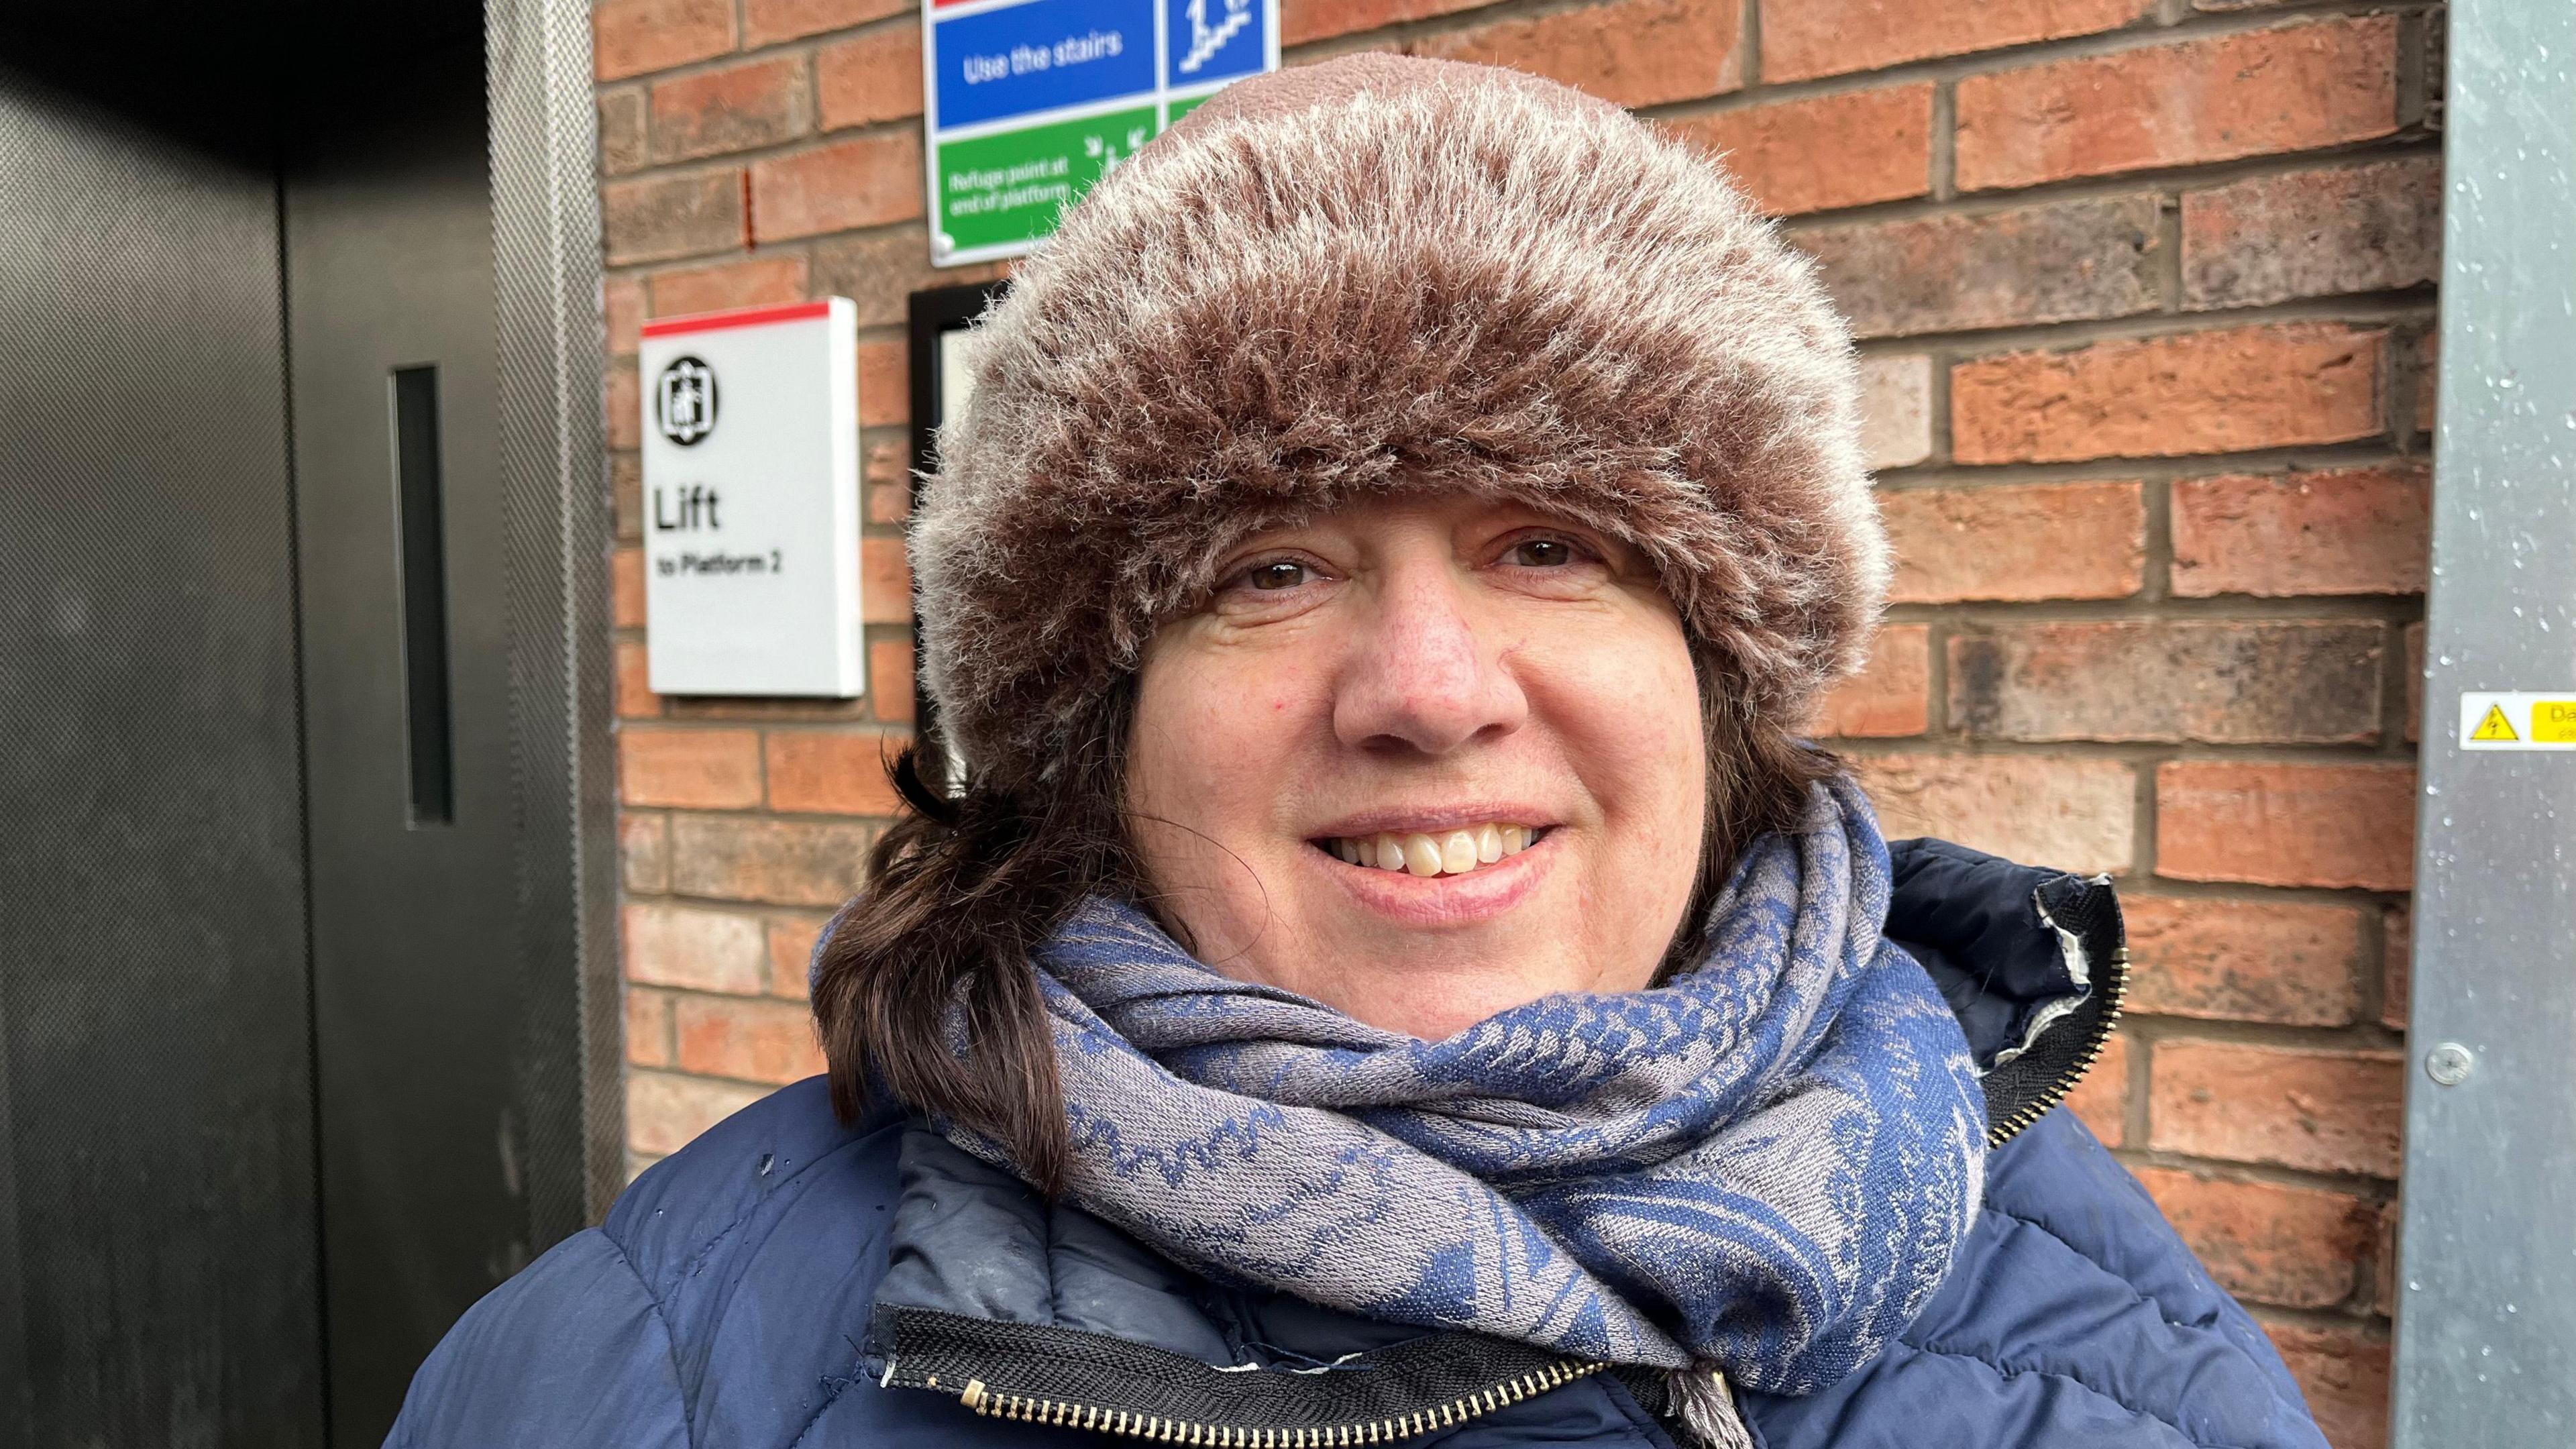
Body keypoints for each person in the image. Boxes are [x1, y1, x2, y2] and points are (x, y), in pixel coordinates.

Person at [388, 54, 2328, 1449]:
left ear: (1726, 669)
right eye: (1271, 566)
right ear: (1090, 720)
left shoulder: (2099, 1318)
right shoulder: (645, 1377)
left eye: (1552, 546)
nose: (1424, 685)